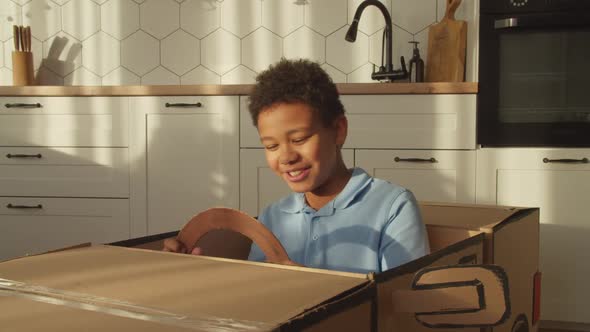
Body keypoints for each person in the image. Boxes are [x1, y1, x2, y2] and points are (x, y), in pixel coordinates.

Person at [164, 58, 429, 274]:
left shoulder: (393, 206)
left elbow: (402, 303)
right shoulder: (273, 216)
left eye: (299, 139)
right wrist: (195, 270)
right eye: (271, 146)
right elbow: (257, 297)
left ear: (338, 130)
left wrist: (307, 288)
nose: (286, 156)